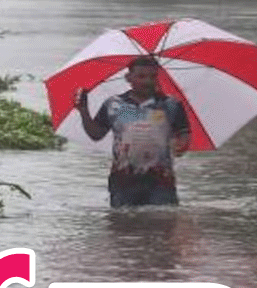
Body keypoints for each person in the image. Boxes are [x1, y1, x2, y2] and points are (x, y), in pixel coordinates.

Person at [74, 56, 191, 208]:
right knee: (123, 226)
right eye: (141, 76)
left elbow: (183, 137)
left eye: (153, 76)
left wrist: (181, 146)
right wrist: (83, 110)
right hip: (123, 181)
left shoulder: (171, 105)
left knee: (162, 224)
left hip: (161, 181)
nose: (147, 81)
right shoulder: (114, 104)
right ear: (128, 77)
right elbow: (96, 134)